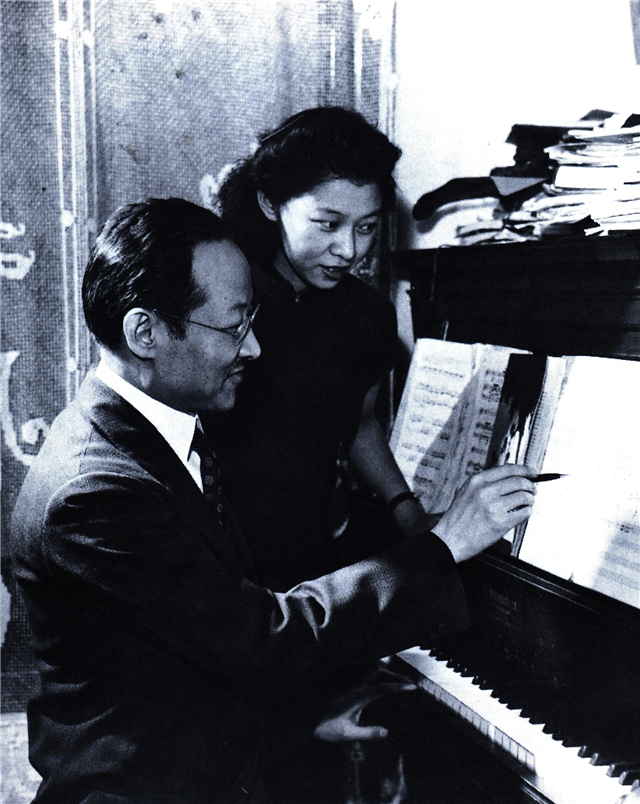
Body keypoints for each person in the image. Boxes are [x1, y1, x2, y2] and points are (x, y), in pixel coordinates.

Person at [10, 197, 536, 804]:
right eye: (234, 327)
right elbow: (261, 639)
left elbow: (179, 663)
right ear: (145, 333)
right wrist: (443, 546)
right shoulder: (96, 492)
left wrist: (301, 723)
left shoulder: (147, 434)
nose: (254, 347)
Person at [210, 106, 434, 592]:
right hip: (224, 558)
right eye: (328, 224)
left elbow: (360, 423)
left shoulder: (368, 315)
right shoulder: (222, 301)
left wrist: (407, 511)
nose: (349, 251)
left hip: (317, 556)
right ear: (270, 203)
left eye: (366, 227)